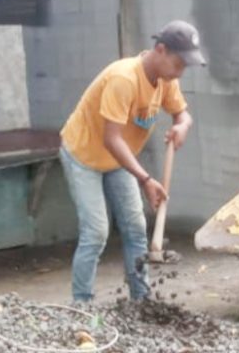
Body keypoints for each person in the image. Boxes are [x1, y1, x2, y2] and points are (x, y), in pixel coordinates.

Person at [59, 20, 204, 301]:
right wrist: (146, 180)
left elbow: (183, 114)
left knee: (135, 228)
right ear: (160, 50)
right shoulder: (124, 79)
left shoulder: (165, 79)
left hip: (117, 159)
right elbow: (111, 139)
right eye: (179, 63)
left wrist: (182, 126)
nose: (181, 72)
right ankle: (82, 306)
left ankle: (142, 301)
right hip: (84, 154)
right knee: (96, 232)